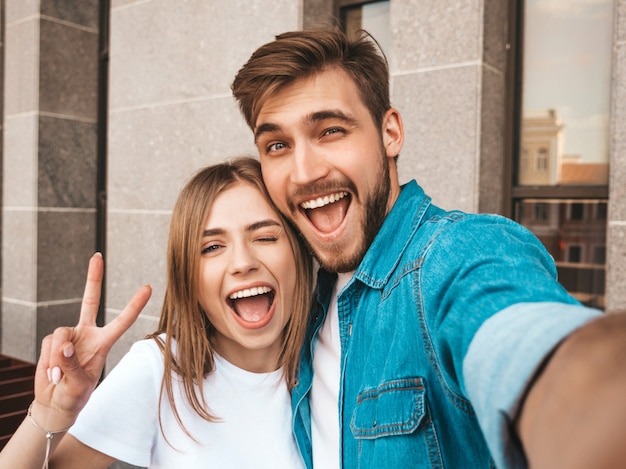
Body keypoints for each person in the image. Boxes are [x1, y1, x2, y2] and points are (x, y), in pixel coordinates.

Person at [231, 28, 626, 468]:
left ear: (390, 133)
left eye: (330, 131)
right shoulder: (304, 298)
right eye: (278, 145)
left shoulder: (453, 254)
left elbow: (527, 342)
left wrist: (590, 397)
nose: (303, 172)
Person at [0, 157, 314, 468]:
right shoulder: (160, 367)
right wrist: (50, 414)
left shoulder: (335, 359)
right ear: (188, 277)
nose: (243, 262)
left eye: (265, 237)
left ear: (300, 254)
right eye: (212, 247)